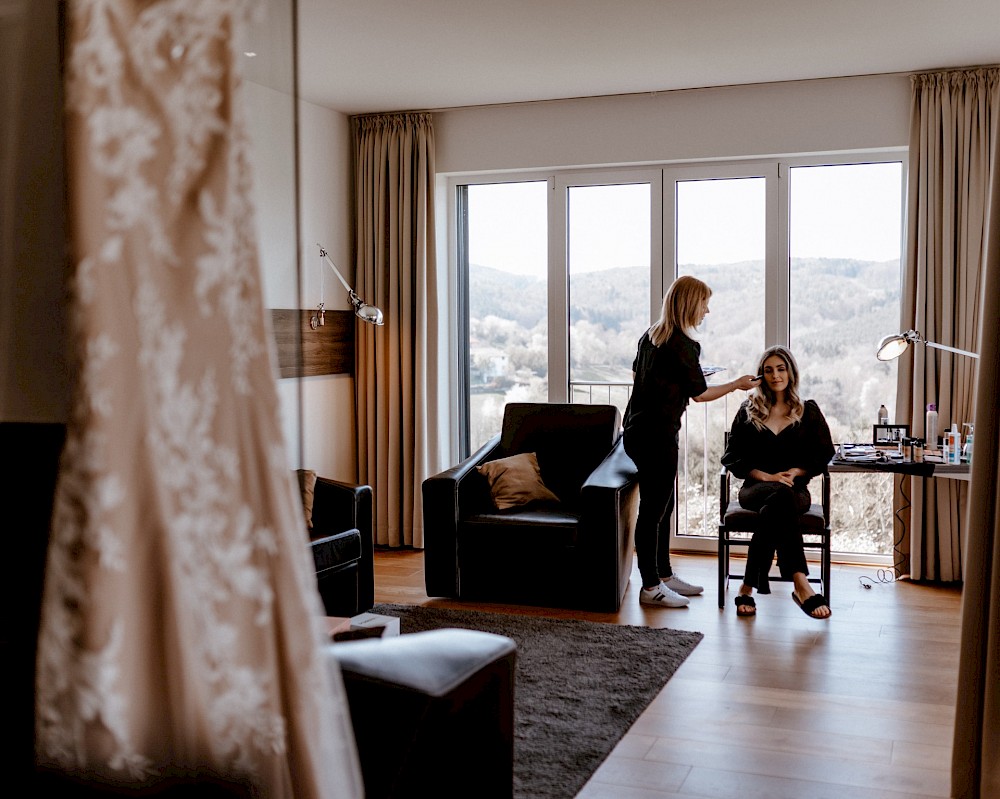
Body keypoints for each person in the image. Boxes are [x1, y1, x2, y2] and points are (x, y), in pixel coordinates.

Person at [623, 276, 759, 608]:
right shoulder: (684, 345)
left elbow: (641, 375)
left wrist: (676, 382)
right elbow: (700, 394)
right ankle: (651, 587)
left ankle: (665, 575)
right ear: (689, 304)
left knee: (663, 505)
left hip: (636, 431)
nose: (707, 310)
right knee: (654, 511)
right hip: (657, 436)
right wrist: (736, 385)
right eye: (703, 304)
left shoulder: (651, 336)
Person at [721, 345, 835, 619]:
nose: (775, 376)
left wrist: (796, 472)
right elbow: (731, 457)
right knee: (779, 498)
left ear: (791, 372)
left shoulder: (807, 411)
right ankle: (800, 584)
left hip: (794, 490)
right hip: (754, 489)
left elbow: (824, 453)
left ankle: (747, 587)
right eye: (768, 370)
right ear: (761, 376)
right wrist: (766, 476)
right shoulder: (748, 410)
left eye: (781, 369)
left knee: (780, 502)